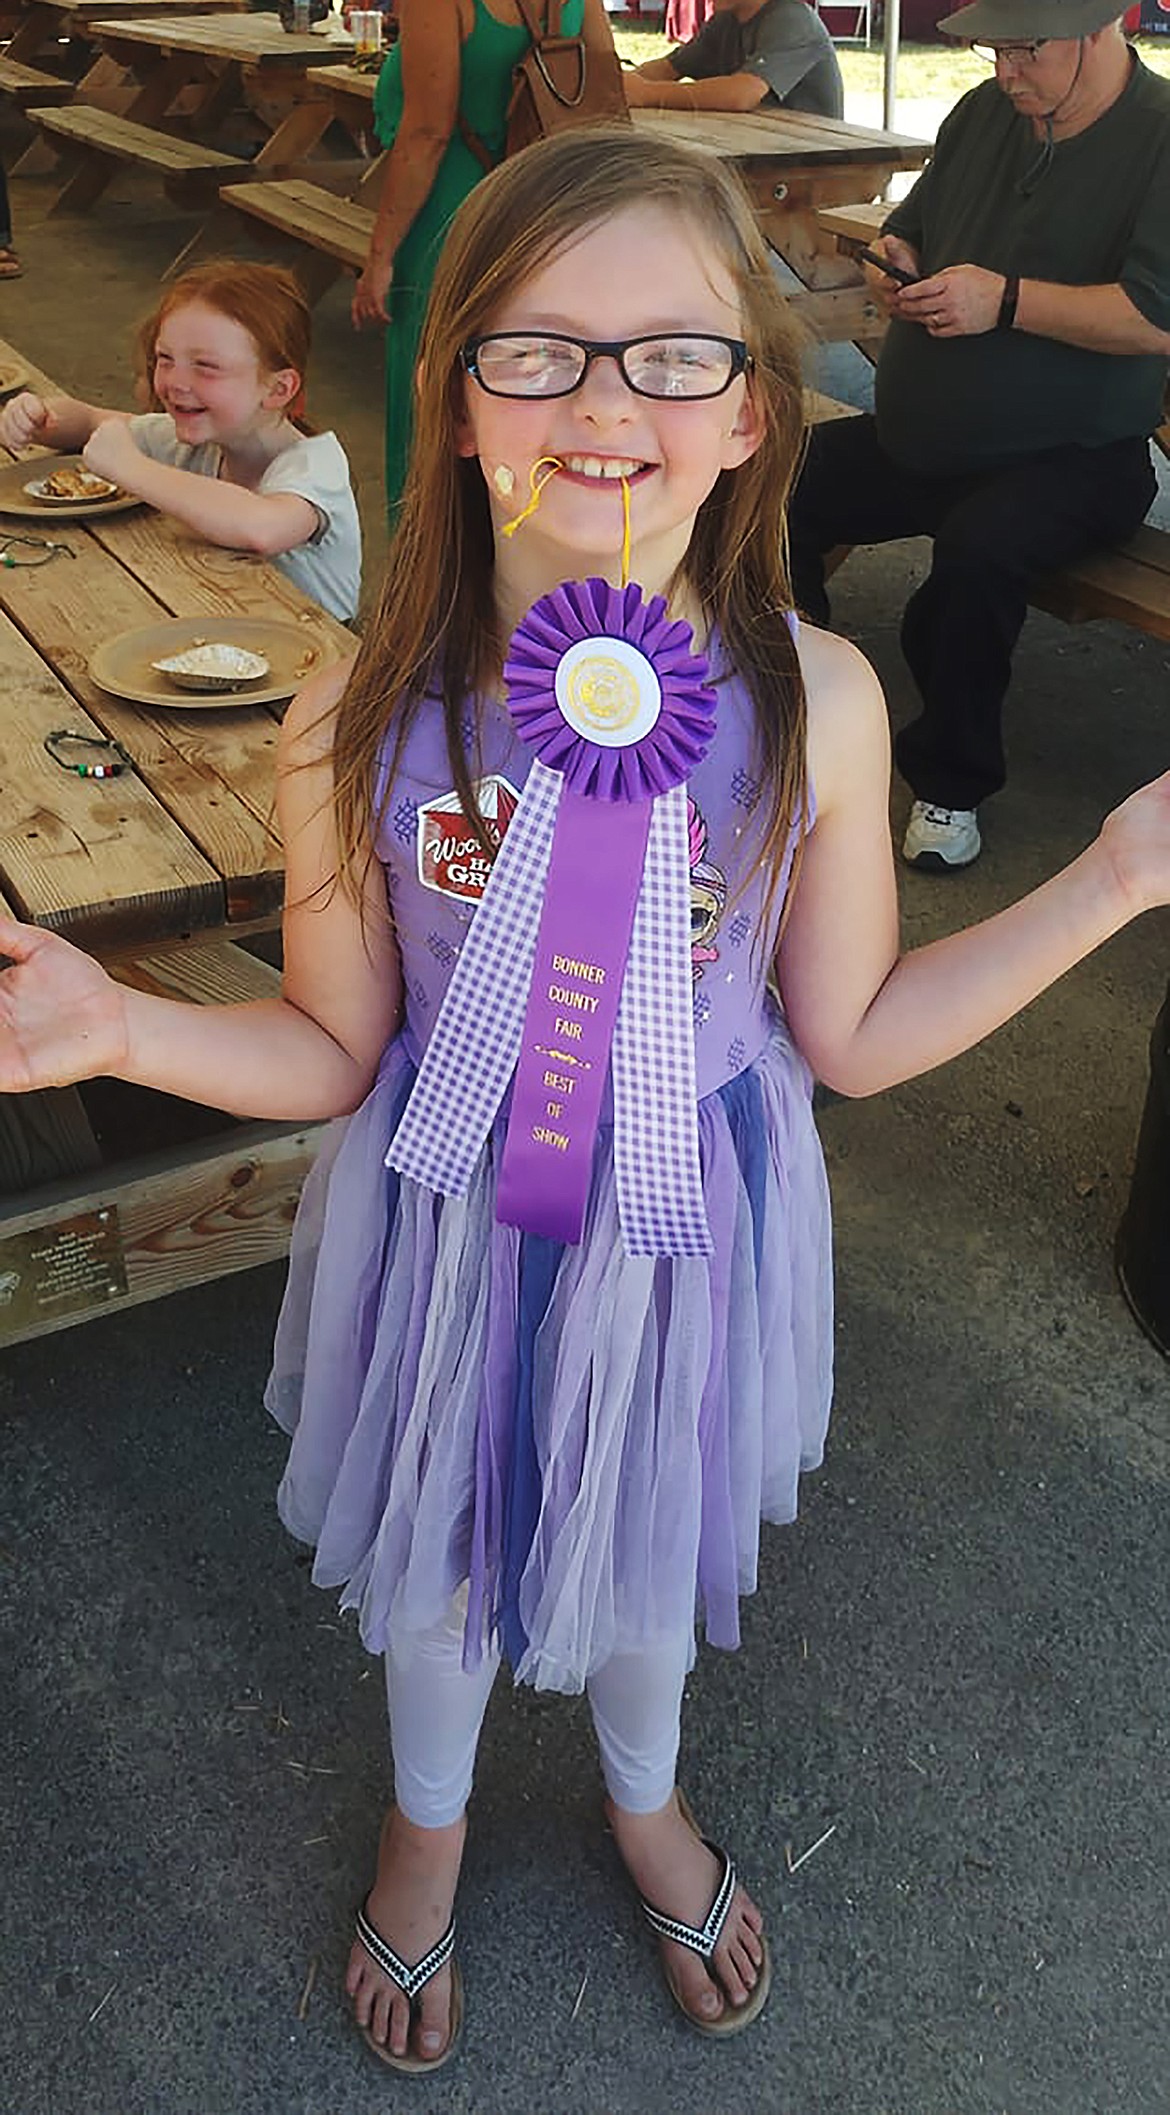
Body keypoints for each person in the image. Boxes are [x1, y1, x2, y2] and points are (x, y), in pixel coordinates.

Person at [1, 127, 1167, 2075]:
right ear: (455, 402)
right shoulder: (355, 709)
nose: (605, 397)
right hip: (447, 1213)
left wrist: (1117, 875)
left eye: (671, 352)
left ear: (752, 414)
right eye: (537, 349)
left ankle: (641, 1788)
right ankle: (427, 1812)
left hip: (689, 1221)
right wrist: (120, 1033)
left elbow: (857, 1031)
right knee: (442, 1562)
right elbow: (327, 1048)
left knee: (648, 1533)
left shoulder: (818, 702)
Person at [787, 0, 1170, 871]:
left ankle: (950, 785)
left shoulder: (1160, 137)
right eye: (994, 50)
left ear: (1103, 27)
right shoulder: (981, 113)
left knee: (977, 555)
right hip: (926, 438)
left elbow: (1156, 316)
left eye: (1024, 50)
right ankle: (799, 704)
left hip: (1076, 457)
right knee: (770, 483)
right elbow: (913, 226)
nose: (1005, 71)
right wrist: (898, 262)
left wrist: (1003, 299)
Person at [352, 0, 622, 512]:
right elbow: (603, 85)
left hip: (455, 217)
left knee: (434, 402)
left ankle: (428, 555)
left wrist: (380, 255)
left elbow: (427, 133)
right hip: (545, 211)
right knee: (526, 390)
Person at [0, 261, 360, 623]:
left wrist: (133, 469)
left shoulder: (316, 466)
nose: (176, 382)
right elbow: (89, 421)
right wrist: (40, 419)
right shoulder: (195, 441)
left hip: (324, 660)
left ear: (278, 389)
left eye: (205, 366)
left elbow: (261, 528)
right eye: (165, 359)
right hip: (226, 632)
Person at [623, 0, 844, 118]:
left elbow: (742, 93)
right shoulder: (726, 21)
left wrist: (645, 93)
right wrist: (616, 85)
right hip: (766, 148)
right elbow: (668, 68)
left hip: (815, 163)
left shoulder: (792, 19)